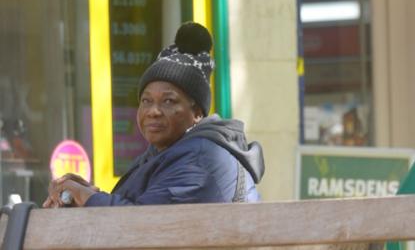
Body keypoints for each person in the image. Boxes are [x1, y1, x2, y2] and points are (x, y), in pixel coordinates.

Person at [43, 22, 264, 207]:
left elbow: (143, 225)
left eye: (168, 101)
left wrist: (88, 198)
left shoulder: (202, 158)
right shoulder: (165, 152)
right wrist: (84, 194)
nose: (153, 111)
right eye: (146, 101)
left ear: (197, 112)